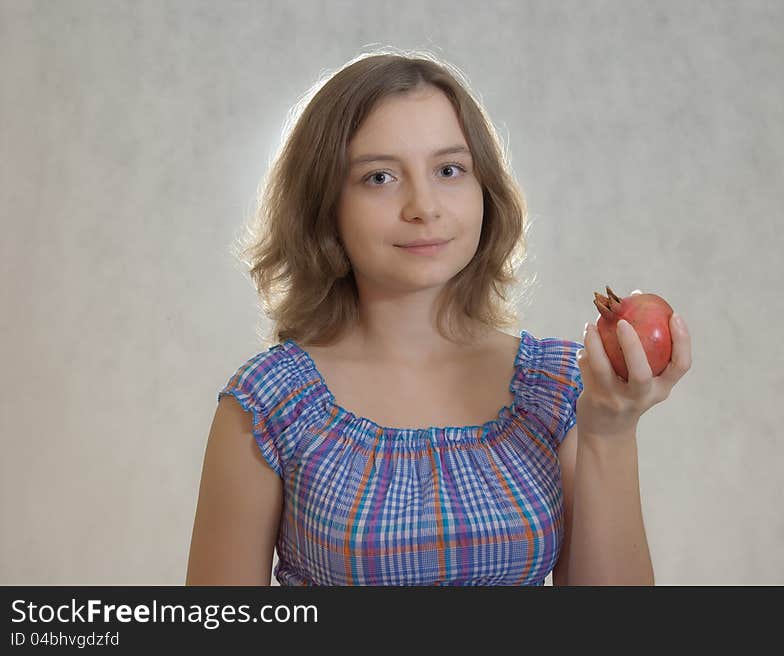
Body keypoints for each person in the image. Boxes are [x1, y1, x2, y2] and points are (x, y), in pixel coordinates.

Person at [185, 49, 691, 586]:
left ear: (484, 191)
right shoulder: (267, 405)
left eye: (449, 170)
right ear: (324, 207)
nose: (424, 206)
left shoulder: (559, 387)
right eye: (379, 177)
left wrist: (610, 431)